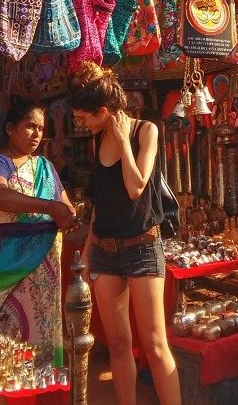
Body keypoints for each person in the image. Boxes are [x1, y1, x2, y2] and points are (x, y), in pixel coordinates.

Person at [69, 63, 180, 405]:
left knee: (155, 344)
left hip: (142, 248)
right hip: (105, 250)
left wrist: (123, 143)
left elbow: (135, 187)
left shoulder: (147, 131)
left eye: (85, 117)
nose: (81, 123)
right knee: (117, 344)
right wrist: (87, 253)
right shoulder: (95, 140)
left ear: (103, 111)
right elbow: (101, 204)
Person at [0, 97, 77, 363]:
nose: (37, 133)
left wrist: (68, 214)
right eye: (29, 126)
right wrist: (49, 209)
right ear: (10, 129)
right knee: (0, 348)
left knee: (37, 339)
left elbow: (65, 206)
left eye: (40, 127)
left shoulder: (46, 168)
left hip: (39, 275)